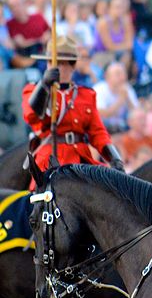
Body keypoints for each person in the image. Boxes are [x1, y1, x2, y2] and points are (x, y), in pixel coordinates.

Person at [22, 36, 124, 186]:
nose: (54, 66)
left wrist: (115, 159)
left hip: (81, 160)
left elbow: (98, 133)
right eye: (51, 61)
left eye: (61, 63)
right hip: (49, 160)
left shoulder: (85, 95)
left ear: (72, 65)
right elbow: (30, 116)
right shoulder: (33, 90)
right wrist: (44, 85)